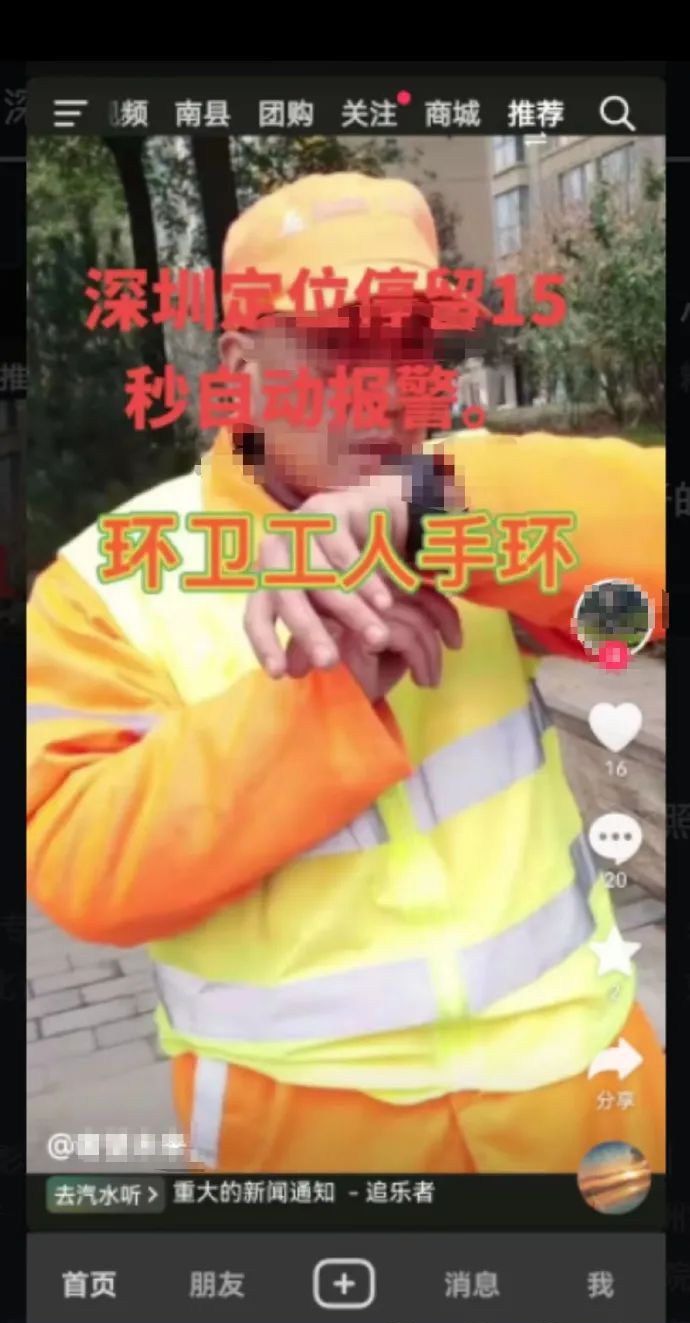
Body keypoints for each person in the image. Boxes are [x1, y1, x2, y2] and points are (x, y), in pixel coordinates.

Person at [27, 171, 665, 1174]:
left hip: (583, 1113)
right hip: (310, 1152)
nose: (389, 385)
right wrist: (326, 694)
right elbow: (81, 865)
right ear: (240, 367)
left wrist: (435, 506)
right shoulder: (109, 582)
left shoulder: (467, 503)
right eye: (335, 343)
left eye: (410, 342)